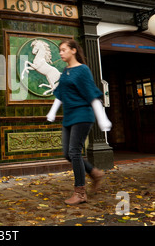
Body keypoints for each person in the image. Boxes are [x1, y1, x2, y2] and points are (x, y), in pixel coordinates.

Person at [47, 39, 112, 205]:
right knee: (67, 154)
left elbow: (92, 94)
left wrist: (103, 119)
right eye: (60, 50)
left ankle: (80, 193)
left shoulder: (83, 70)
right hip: (69, 117)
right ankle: (95, 173)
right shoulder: (65, 71)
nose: (60, 53)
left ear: (73, 50)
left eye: (63, 50)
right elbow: (60, 94)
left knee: (74, 152)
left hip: (82, 115)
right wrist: (52, 112)